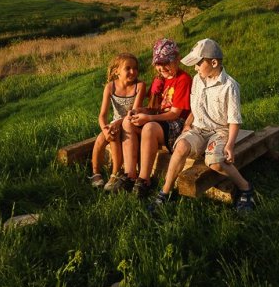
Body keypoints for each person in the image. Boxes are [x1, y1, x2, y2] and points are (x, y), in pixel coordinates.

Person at [150, 38, 255, 212]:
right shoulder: (198, 80)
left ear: (213, 62)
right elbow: (195, 107)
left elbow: (234, 120)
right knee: (181, 146)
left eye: (198, 64)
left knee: (215, 161)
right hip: (198, 128)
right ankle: (165, 192)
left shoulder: (230, 86)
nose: (195, 68)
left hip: (220, 131)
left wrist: (229, 145)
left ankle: (245, 187)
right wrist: (188, 124)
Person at [117, 38, 192, 196]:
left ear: (177, 59)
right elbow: (155, 108)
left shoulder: (183, 80)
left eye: (166, 63)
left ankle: (144, 179)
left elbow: (175, 113)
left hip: (177, 124)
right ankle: (130, 174)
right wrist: (140, 111)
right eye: (158, 63)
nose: (161, 67)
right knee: (127, 122)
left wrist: (148, 118)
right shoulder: (161, 79)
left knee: (149, 128)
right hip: (161, 120)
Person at [89, 52, 146, 190]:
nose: (133, 71)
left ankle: (115, 174)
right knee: (101, 138)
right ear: (117, 71)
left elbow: (133, 113)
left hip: (131, 124)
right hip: (114, 124)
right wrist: (105, 129)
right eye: (128, 68)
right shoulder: (110, 87)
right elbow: (102, 115)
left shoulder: (139, 86)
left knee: (113, 135)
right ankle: (95, 172)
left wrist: (113, 126)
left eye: (135, 68)